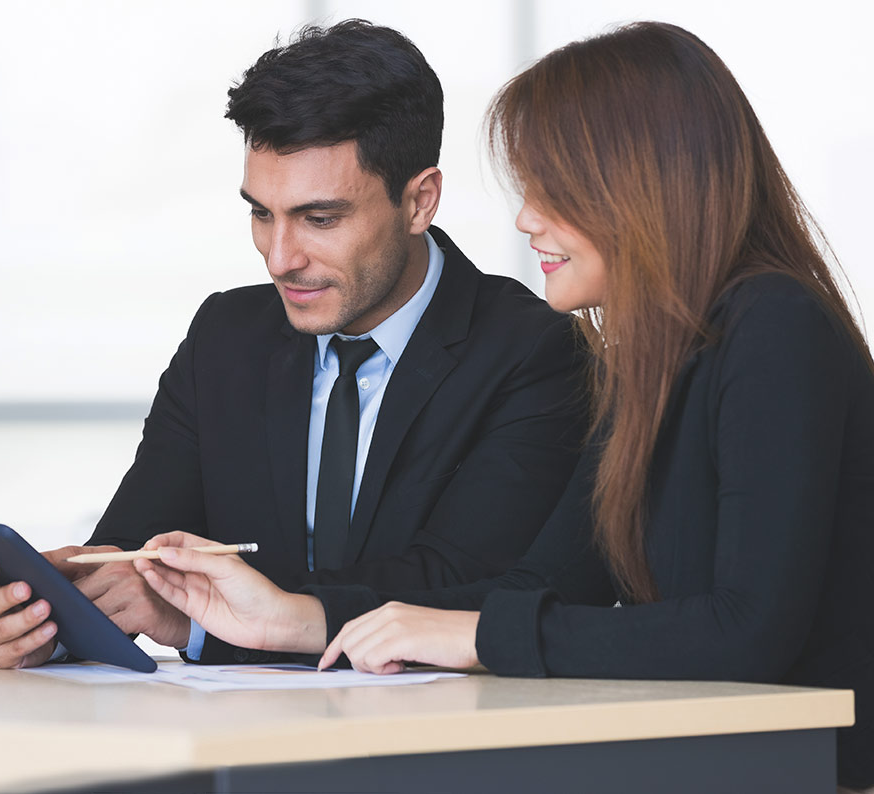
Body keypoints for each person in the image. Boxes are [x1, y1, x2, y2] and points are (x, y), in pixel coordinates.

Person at [133, 21, 874, 789]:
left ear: (645, 190)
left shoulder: (775, 325)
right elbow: (536, 586)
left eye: (554, 194)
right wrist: (295, 621)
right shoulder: (650, 364)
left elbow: (745, 631)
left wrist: (480, 636)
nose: (526, 221)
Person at [0, 19, 591, 669]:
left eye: (319, 218)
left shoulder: (533, 349)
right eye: (262, 213)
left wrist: (208, 621)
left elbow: (459, 583)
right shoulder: (226, 337)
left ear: (419, 200)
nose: (281, 258)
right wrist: (48, 615)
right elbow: (134, 551)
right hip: (236, 741)